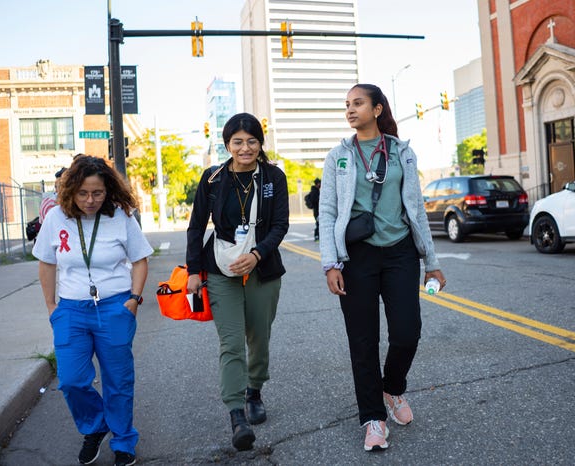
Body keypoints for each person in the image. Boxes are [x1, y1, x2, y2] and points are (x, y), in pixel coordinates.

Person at [318, 84, 447, 452]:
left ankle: (393, 387)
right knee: (363, 341)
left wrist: (432, 262)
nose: (350, 110)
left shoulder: (402, 153)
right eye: (346, 105)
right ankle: (373, 418)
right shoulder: (338, 156)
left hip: (400, 252)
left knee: (408, 332)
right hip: (356, 255)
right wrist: (331, 263)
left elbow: (417, 209)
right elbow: (327, 212)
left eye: (358, 103)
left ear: (377, 109)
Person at [32, 155, 153, 466]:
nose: (90, 200)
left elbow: (140, 260)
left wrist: (134, 300)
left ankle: (124, 440)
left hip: (115, 306)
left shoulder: (121, 216)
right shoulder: (57, 218)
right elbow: (47, 263)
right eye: (83, 193)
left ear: (107, 190)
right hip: (71, 310)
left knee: (118, 379)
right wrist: (51, 306)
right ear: (71, 190)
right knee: (71, 379)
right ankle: (95, 426)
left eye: (97, 193)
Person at [186, 112, 289, 451]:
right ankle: (237, 415)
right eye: (238, 142)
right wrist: (192, 272)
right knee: (231, 343)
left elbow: (280, 225)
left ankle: (254, 390)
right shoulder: (213, 179)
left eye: (252, 141)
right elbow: (197, 226)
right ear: (227, 144)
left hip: (262, 265)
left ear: (260, 143)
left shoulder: (274, 176)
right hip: (220, 268)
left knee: (259, 337)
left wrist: (258, 254)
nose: (245, 148)